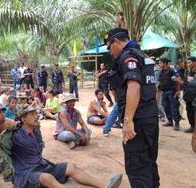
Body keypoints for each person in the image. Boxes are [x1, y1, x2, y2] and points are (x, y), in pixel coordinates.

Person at [10, 103, 122, 188]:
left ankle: (105, 185)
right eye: (32, 114)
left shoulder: (36, 130)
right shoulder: (14, 135)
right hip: (26, 173)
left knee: (70, 167)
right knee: (47, 178)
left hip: (41, 166)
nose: (37, 116)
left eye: (36, 113)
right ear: (23, 118)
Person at [105, 28, 159, 187]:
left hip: (137, 122)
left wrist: (128, 121)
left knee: (137, 168)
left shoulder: (127, 57)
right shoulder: (142, 56)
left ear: (116, 42)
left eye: (109, 47)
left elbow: (134, 86)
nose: (110, 52)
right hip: (149, 119)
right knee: (149, 163)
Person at [159, 58, 182, 130]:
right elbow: (160, 82)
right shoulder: (161, 71)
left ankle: (177, 123)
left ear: (165, 63)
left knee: (174, 107)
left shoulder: (172, 70)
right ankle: (170, 121)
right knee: (165, 106)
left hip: (172, 91)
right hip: (164, 92)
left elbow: (179, 79)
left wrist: (178, 91)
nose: (159, 64)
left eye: (160, 63)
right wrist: (158, 92)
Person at [182, 57, 196, 133]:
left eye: (190, 62)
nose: (188, 64)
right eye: (187, 63)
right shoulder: (187, 72)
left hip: (195, 96)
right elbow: (185, 84)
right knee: (189, 112)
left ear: (195, 62)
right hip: (188, 96)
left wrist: (193, 80)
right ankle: (192, 126)